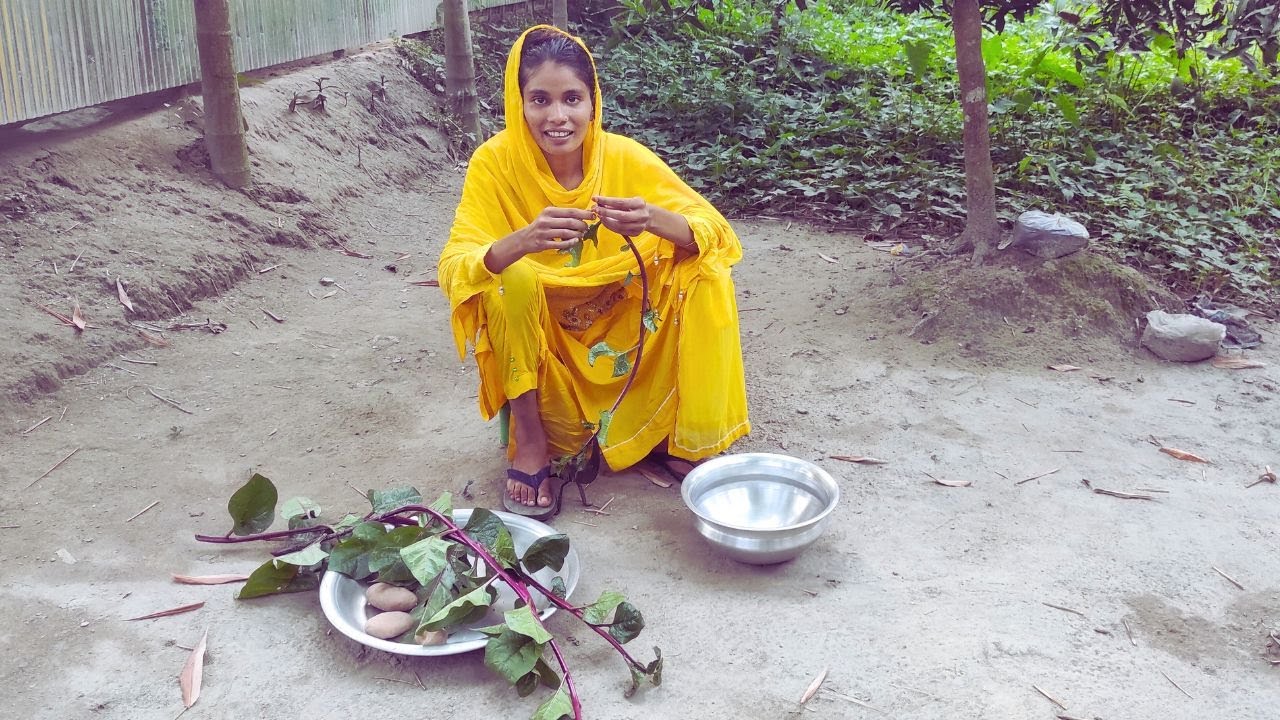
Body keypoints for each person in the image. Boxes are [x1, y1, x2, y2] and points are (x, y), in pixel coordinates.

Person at [438, 25, 748, 518]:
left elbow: (716, 233)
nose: (557, 117)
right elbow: (457, 267)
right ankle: (533, 441)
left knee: (705, 271)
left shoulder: (621, 156)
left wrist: (652, 219)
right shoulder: (494, 163)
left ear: (592, 102)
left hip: (623, 323)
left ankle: (674, 435)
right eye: (539, 99)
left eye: (572, 99)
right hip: (544, 336)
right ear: (518, 103)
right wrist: (524, 240)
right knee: (507, 280)